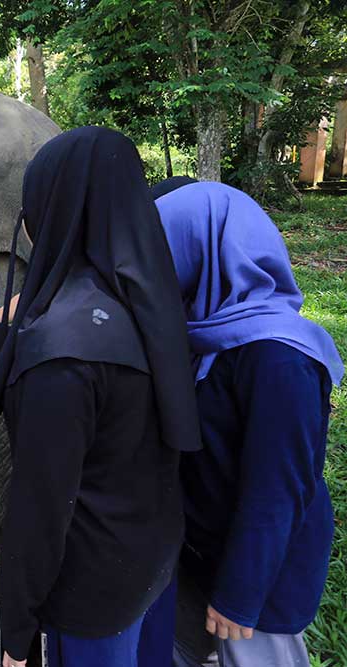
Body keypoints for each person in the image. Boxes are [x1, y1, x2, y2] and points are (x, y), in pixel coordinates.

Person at [0, 126, 203, 667]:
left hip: (93, 600)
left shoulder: (62, 357)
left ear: (53, 210)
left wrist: (16, 637)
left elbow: (41, 510)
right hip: (153, 564)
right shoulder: (150, 301)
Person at [155, 182, 343, 667]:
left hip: (259, 579)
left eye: (165, 242)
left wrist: (241, 593)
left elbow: (277, 488)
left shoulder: (279, 354)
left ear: (205, 247)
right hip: (209, 554)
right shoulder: (211, 332)